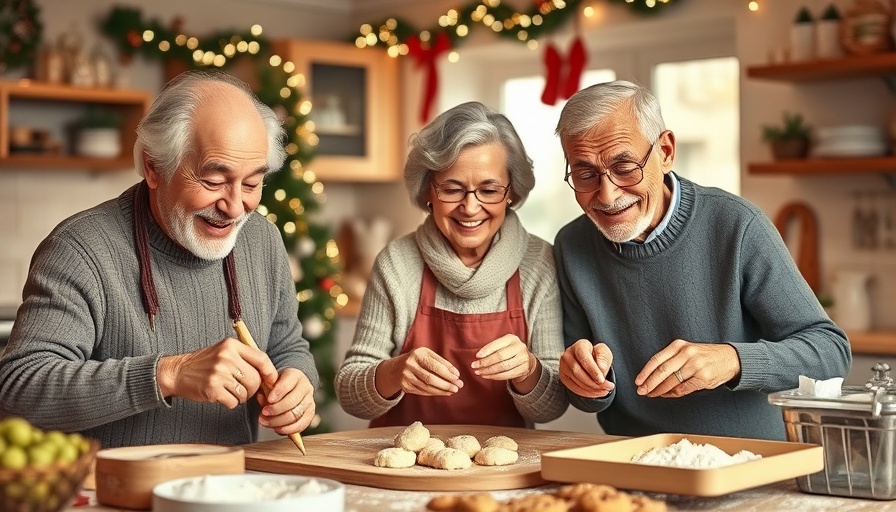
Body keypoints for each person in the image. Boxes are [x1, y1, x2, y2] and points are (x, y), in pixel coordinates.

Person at [0, 71, 319, 448]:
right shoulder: (81, 250)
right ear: (154, 167)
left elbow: (288, 348)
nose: (235, 207)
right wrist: (168, 373)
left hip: (230, 490)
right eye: (214, 181)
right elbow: (19, 390)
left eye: (251, 183)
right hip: (115, 498)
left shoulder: (262, 241)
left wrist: (298, 381)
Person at [553, 80, 851, 440]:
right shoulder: (571, 245)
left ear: (665, 151)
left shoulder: (737, 225)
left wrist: (732, 360)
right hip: (631, 464)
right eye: (585, 174)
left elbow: (831, 352)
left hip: (747, 464)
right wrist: (584, 381)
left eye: (625, 166)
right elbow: (587, 399)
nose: (608, 193)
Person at [335, 101, 568, 427]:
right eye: (452, 189)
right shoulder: (397, 263)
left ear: (511, 192)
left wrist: (529, 370)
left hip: (501, 468)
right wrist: (395, 371)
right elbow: (350, 394)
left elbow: (553, 406)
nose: (470, 208)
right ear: (428, 191)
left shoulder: (538, 263)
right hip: (404, 464)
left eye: (488, 190)